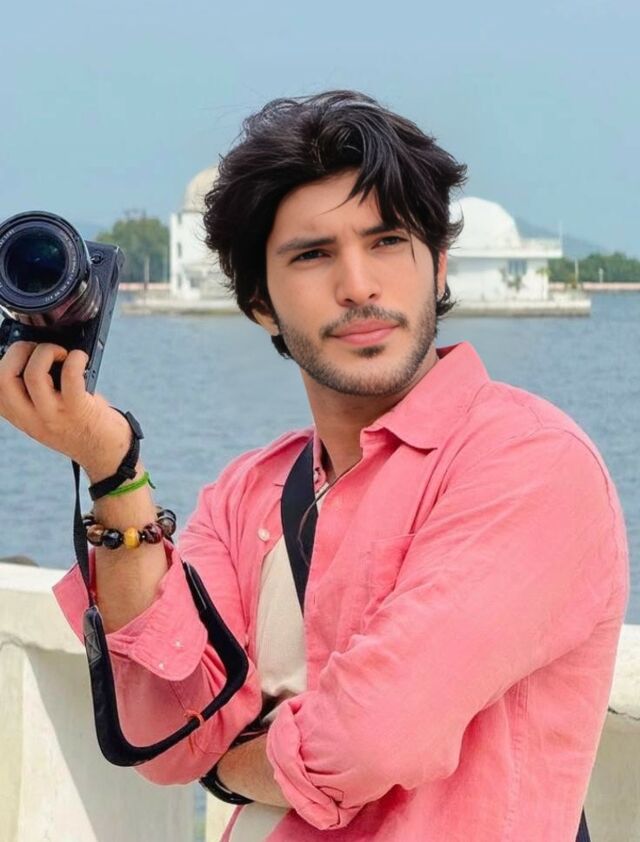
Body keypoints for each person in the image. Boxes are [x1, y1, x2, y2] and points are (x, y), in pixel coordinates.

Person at [0, 91, 628, 841]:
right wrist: (113, 470)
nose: (358, 284)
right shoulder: (249, 492)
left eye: (387, 241)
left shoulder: (527, 462)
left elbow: (373, 737)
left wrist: (225, 764)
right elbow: (164, 728)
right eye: (313, 254)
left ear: (438, 267)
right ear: (260, 301)